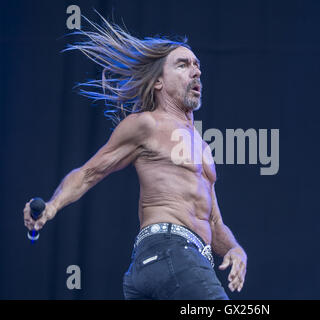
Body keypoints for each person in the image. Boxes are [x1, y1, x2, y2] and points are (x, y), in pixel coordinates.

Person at [23, 14, 247, 300]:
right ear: (157, 83)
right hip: (171, 251)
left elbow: (214, 223)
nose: (196, 71)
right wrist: (52, 206)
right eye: (183, 64)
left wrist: (235, 249)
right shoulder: (147, 124)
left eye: (197, 65)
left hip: (163, 267)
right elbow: (89, 172)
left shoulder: (203, 148)